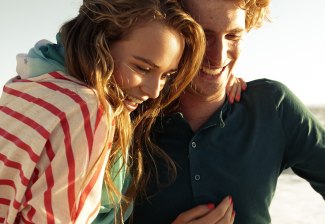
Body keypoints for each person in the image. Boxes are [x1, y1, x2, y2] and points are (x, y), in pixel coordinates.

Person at [0, 0, 217, 222]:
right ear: (99, 43)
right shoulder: (86, 110)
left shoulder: (28, 82)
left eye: (166, 76)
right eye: (142, 68)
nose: (154, 92)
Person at [129, 0, 325, 223]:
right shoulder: (131, 114)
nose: (218, 57)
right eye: (204, 35)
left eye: (233, 36)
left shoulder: (273, 106)